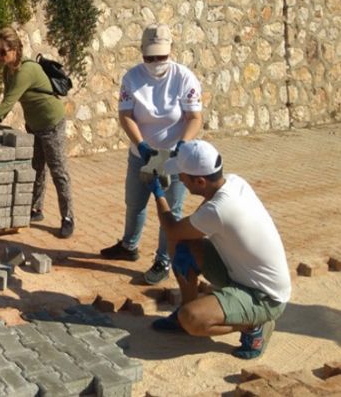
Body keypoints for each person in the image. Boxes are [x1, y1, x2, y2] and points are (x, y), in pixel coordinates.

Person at [148, 140, 291, 359]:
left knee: (192, 320)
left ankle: (254, 325)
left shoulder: (219, 209)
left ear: (200, 181)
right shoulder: (233, 182)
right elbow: (188, 229)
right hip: (240, 274)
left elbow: (173, 229)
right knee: (183, 245)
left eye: (182, 175)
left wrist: (158, 194)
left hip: (264, 297)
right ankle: (186, 310)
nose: (181, 180)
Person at [100, 23, 203, 285]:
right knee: (135, 203)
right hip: (141, 155)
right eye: (150, 57)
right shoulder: (132, 78)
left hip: (174, 158)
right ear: (142, 53)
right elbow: (126, 116)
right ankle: (129, 246)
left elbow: (194, 118)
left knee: (171, 210)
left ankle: (163, 260)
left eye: (161, 57)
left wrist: (180, 146)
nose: (155, 62)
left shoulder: (184, 78)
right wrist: (142, 145)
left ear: (171, 52)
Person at [0, 27, 74, 238]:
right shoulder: (8, 70)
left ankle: (68, 217)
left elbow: (8, 102)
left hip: (51, 122)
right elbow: (8, 100)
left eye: (3, 52)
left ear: (15, 50)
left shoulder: (25, 71)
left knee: (58, 171)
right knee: (37, 167)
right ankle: (36, 209)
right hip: (34, 123)